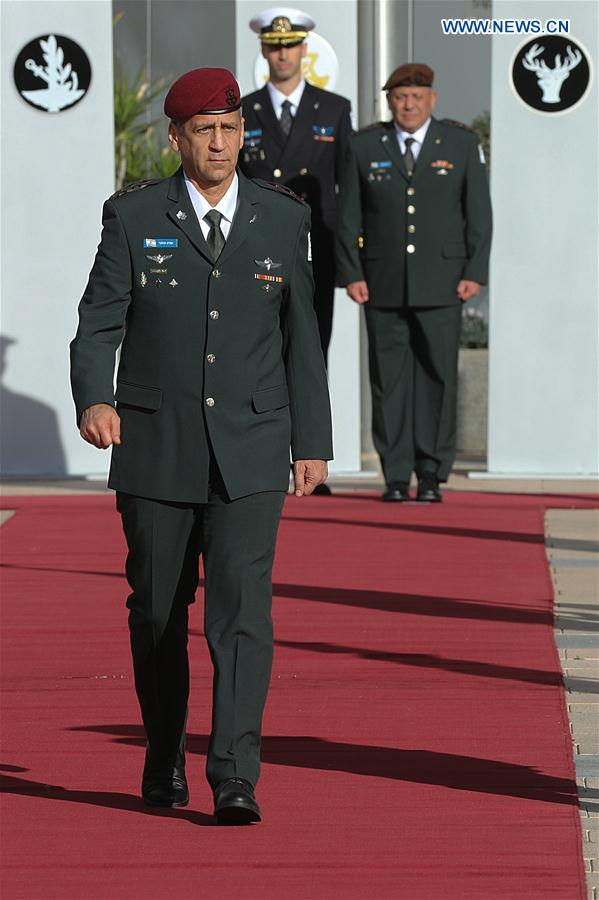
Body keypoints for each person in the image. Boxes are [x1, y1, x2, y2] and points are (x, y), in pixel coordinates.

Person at [70, 67, 332, 825]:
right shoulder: (133, 215)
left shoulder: (282, 217)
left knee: (242, 614)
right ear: (176, 138)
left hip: (252, 445)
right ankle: (163, 754)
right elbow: (98, 323)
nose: (219, 143)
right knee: (157, 611)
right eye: (204, 130)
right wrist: (95, 397)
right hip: (156, 447)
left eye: (229, 128)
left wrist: (311, 440)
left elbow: (301, 338)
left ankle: (235, 774)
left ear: (242, 133)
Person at [336, 63, 492, 502]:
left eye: (417, 97)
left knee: (438, 377)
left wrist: (474, 271)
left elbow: (479, 214)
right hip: (381, 282)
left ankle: (431, 473)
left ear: (432, 100)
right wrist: (352, 272)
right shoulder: (364, 145)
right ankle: (395, 475)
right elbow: (349, 216)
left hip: (444, 281)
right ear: (389, 101)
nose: (408, 105)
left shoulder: (460, 143)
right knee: (388, 380)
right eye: (400, 97)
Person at [240, 6, 352, 367]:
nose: (282, 54)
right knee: (262, 351)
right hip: (260, 244)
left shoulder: (334, 109)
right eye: (275, 46)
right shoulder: (244, 111)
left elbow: (348, 188)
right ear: (263, 50)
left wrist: (348, 259)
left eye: (290, 45)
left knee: (313, 350)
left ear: (304, 48)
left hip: (316, 245)